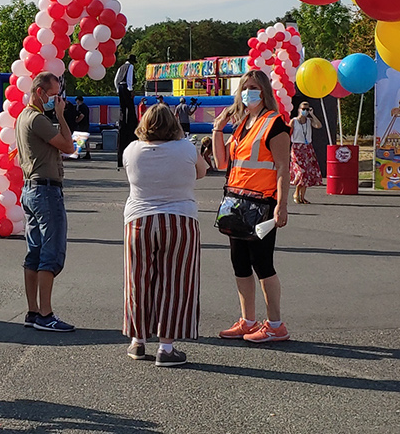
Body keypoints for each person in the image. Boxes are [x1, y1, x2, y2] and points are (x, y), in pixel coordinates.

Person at [209, 68, 292, 344]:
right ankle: (248, 320)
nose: (248, 92)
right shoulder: (244, 124)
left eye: (254, 87)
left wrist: (281, 204)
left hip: (262, 203)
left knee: (262, 263)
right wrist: (218, 128)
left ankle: (276, 324)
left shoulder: (274, 123)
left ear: (265, 91)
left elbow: (282, 167)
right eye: (245, 88)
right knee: (240, 263)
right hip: (237, 201)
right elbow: (221, 163)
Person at [121, 103, 204, 366]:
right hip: (180, 218)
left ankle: (137, 340)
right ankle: (166, 347)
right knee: (176, 282)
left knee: (138, 280)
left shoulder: (131, 150)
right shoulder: (186, 148)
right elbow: (202, 172)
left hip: (139, 219)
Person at [15, 71, 76, 332]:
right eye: (53, 95)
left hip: (31, 189)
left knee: (35, 253)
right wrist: (61, 115)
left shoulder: (22, 117)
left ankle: (33, 311)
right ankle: (46, 313)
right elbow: (68, 146)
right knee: (50, 254)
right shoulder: (38, 119)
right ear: (39, 92)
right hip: (45, 190)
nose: (57, 100)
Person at [290, 100, 323, 204]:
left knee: (307, 173)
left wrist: (312, 115)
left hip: (307, 148)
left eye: (307, 109)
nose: (305, 111)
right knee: (301, 172)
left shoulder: (309, 121)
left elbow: (318, 125)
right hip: (297, 148)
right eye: (303, 109)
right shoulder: (294, 121)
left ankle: (302, 196)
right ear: (299, 109)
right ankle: (296, 193)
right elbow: (288, 133)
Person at [113, 57, 139, 168]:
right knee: (130, 107)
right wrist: (130, 89)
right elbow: (129, 78)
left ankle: (122, 119)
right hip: (125, 86)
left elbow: (115, 79)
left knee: (122, 108)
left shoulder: (120, 67)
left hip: (119, 86)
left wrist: (117, 89)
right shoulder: (130, 67)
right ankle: (130, 119)